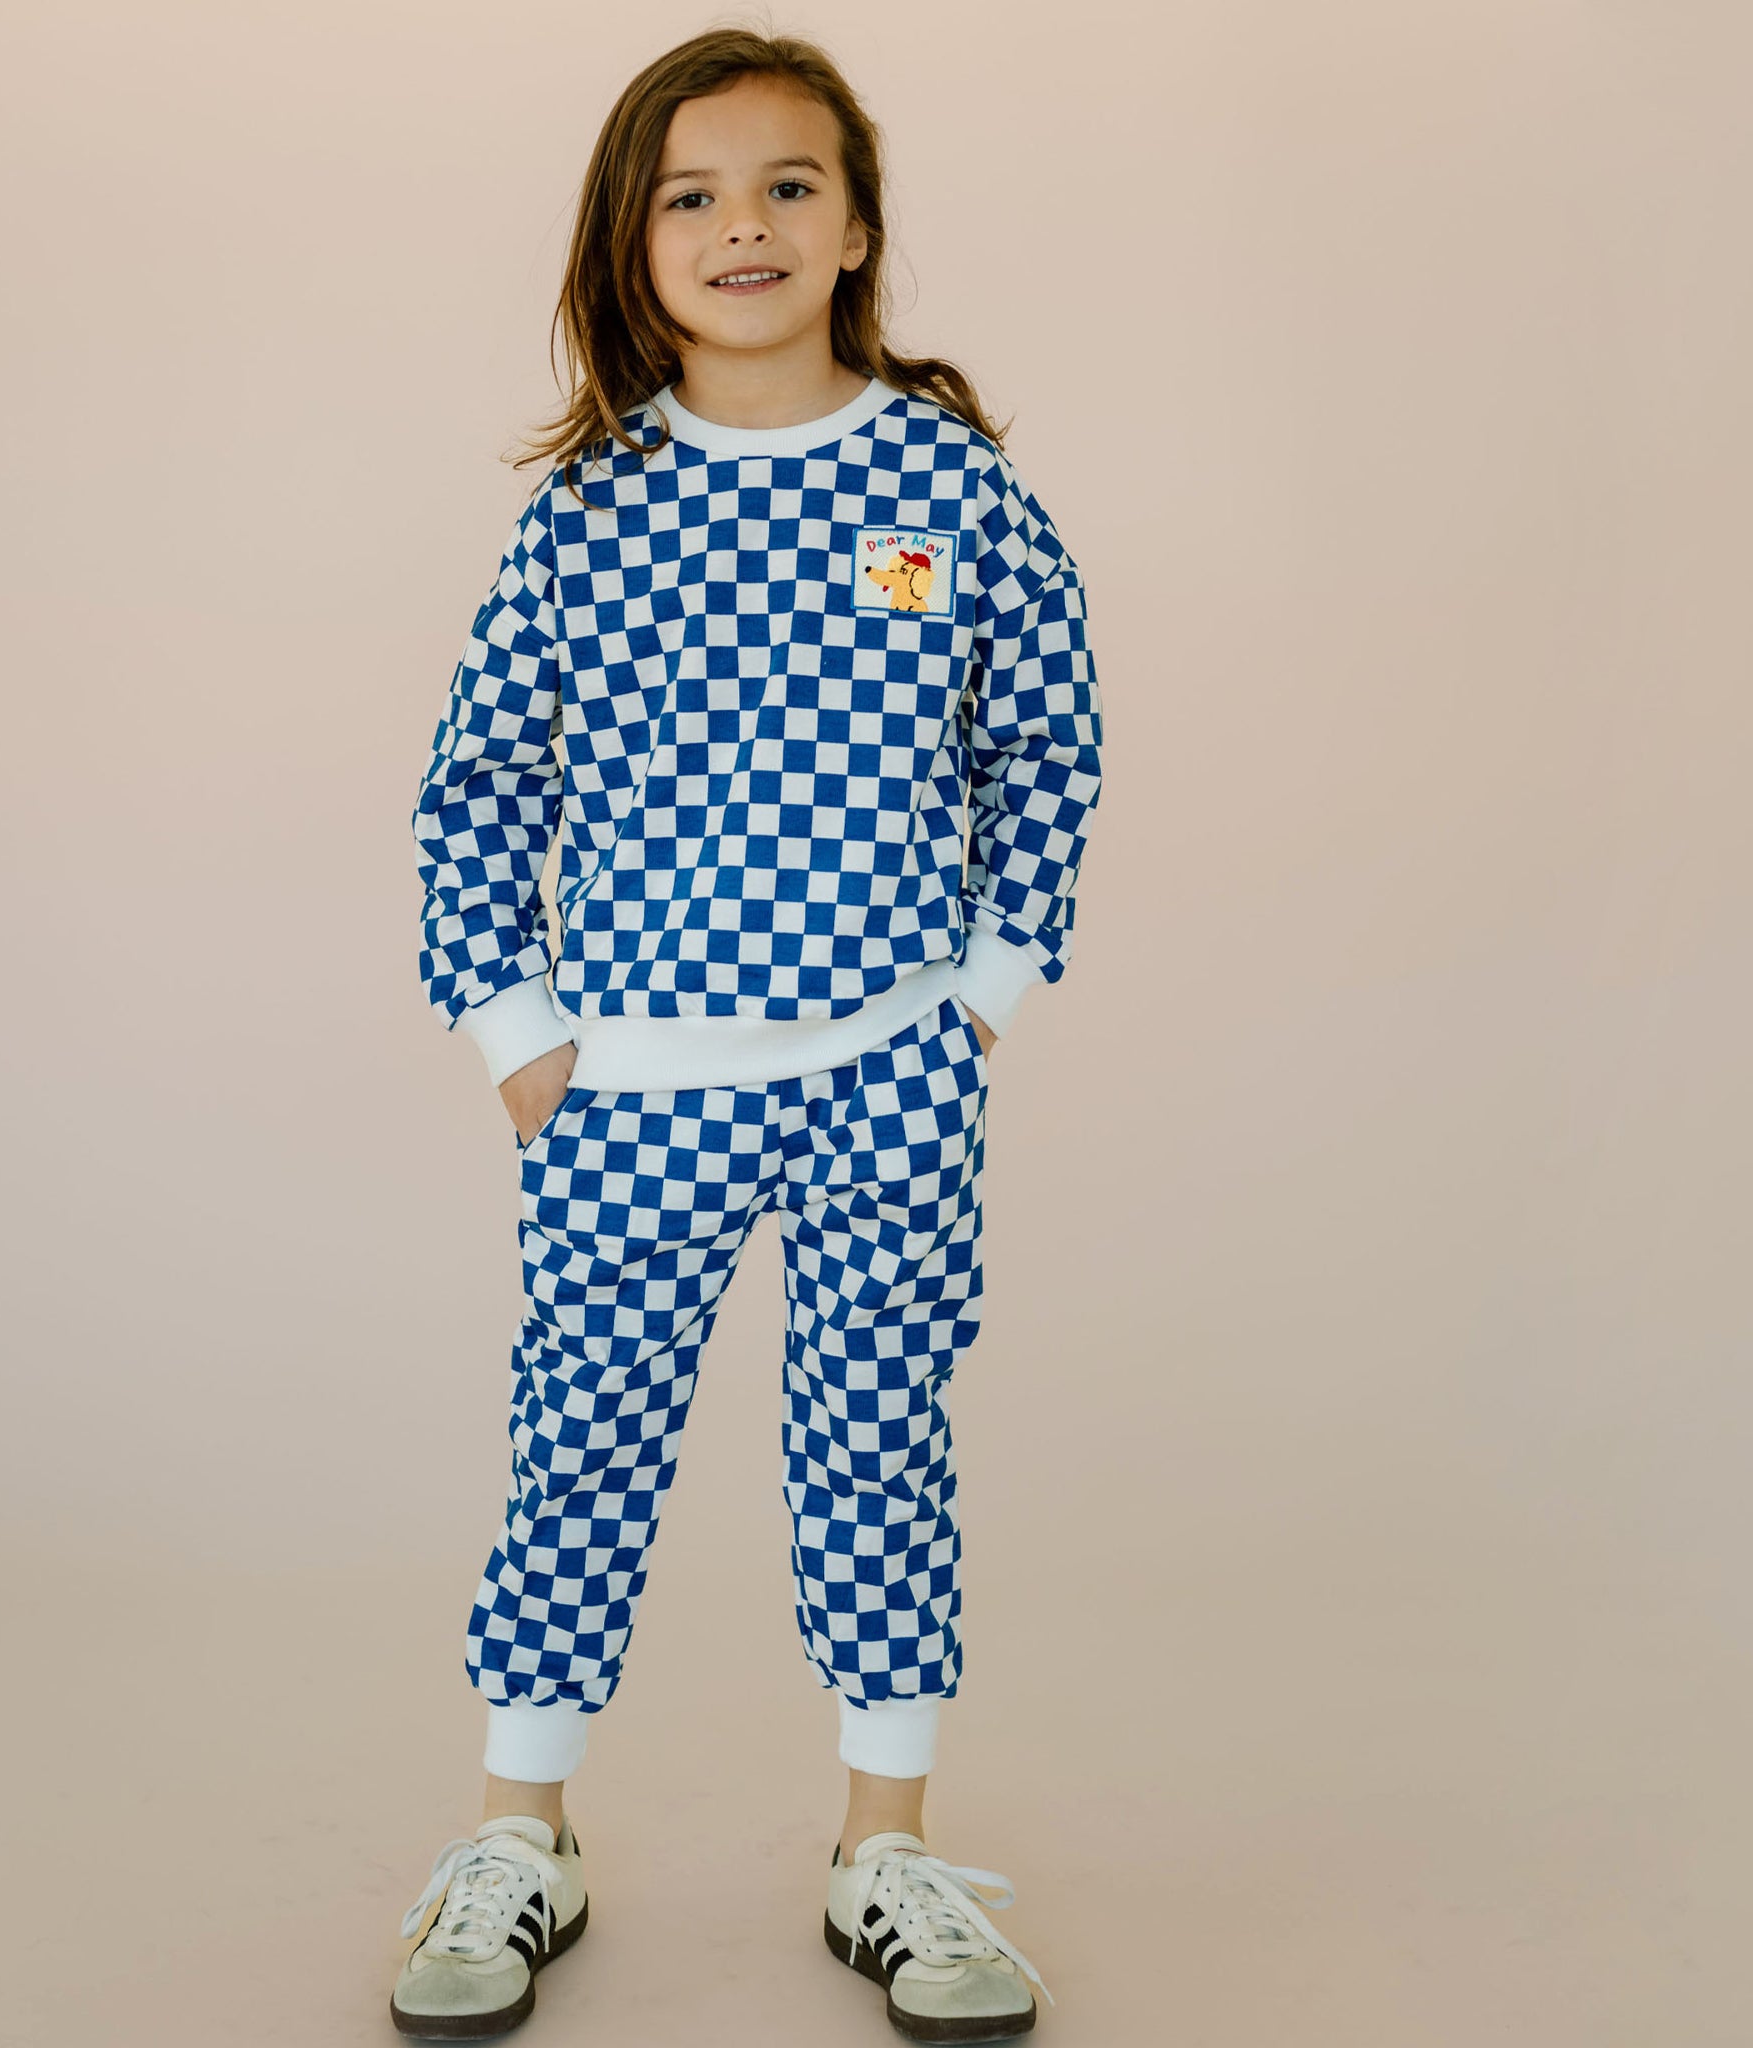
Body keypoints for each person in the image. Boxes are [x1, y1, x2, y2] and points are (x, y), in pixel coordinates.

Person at [395, 27, 1103, 2043]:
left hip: (888, 1078)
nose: (743, 226)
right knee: (578, 1445)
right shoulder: (590, 513)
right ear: (632, 244)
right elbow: (479, 786)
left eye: (789, 184)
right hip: (632, 1096)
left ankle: (887, 1848)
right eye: (690, 195)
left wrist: (983, 995)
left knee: (878, 1445)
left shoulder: (947, 489)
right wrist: (519, 1031)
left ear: (857, 225)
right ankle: (521, 1833)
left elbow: (1046, 745)